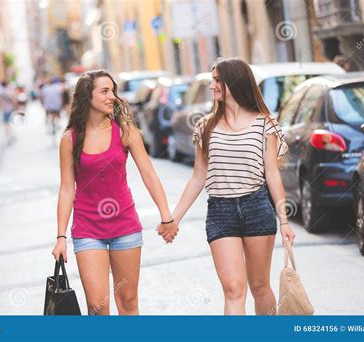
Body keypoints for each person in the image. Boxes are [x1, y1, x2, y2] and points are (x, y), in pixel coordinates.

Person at [166, 58, 295, 315]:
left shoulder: (264, 124)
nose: (212, 85)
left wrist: (284, 221)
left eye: (217, 80)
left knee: (259, 285)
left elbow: (272, 174)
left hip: (257, 207)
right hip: (220, 212)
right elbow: (197, 177)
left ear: (233, 82)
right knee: (234, 290)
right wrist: (174, 218)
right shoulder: (206, 126)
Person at [51, 70, 178, 315]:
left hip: (125, 226)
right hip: (87, 229)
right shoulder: (70, 139)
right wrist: (61, 236)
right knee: (97, 307)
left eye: (113, 91)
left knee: (128, 302)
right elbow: (67, 189)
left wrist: (167, 215)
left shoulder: (125, 131)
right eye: (105, 91)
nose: (112, 97)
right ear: (88, 97)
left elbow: (148, 173)